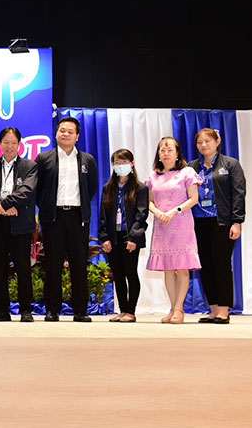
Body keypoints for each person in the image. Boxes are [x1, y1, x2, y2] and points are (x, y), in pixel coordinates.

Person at [35, 117, 98, 322]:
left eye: (70, 131)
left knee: (79, 264)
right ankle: (52, 310)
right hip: (53, 217)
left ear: (77, 136)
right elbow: (37, 188)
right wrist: (46, 207)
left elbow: (91, 188)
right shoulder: (44, 158)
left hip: (78, 217)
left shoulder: (87, 160)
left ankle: (80, 311)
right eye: (62, 130)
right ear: (56, 134)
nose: (65, 134)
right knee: (53, 264)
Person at [189, 128, 245, 324]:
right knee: (205, 265)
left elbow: (238, 194)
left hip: (222, 221)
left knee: (221, 264)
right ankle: (213, 309)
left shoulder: (230, 164)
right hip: (198, 222)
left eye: (207, 141)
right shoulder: (192, 167)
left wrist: (237, 221)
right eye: (200, 142)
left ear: (217, 141)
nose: (204, 145)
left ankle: (224, 310)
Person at [0, 127, 38, 322]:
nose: (9, 146)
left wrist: (5, 204)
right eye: (6, 142)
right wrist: (2, 206)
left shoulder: (30, 166)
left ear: (19, 145)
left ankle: (26, 310)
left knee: (23, 267)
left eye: (13, 143)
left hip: (20, 223)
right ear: (0, 144)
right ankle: (1, 310)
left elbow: (27, 190)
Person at [144, 136, 200, 323]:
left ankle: (179, 309)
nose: (166, 153)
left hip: (181, 223)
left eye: (170, 150)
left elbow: (194, 198)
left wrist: (174, 211)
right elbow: (149, 201)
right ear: (158, 154)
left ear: (177, 154)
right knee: (168, 268)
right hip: (162, 225)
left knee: (182, 268)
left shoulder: (187, 172)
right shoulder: (153, 177)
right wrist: (158, 212)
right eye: (162, 150)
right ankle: (172, 307)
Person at [97, 149, 149, 322]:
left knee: (130, 273)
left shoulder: (140, 188)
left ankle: (131, 311)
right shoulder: (108, 188)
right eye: (117, 163)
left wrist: (134, 237)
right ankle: (122, 310)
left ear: (132, 164)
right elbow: (103, 215)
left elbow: (141, 215)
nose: (120, 166)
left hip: (130, 238)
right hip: (113, 237)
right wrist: (104, 237)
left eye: (124, 162)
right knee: (118, 275)